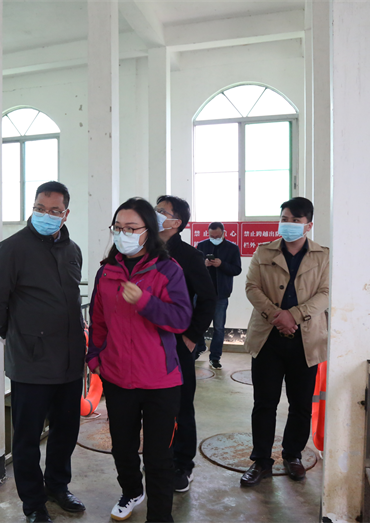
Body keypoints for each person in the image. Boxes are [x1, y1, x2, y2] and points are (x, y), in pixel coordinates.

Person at [0, 181, 86, 523]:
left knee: (65, 432)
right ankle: (33, 504)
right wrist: (20, 338)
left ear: (65, 214)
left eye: (54, 211)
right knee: (27, 439)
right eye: (40, 208)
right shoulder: (11, 249)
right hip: (31, 364)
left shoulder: (72, 250)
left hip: (70, 361)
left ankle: (58, 486)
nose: (45, 215)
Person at [87, 197, 192, 523]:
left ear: (149, 231)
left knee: (159, 457)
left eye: (131, 228)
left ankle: (160, 517)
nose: (124, 234)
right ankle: (132, 491)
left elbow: (181, 319)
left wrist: (145, 301)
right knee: (122, 447)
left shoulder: (168, 269)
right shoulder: (107, 272)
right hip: (117, 376)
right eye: (118, 228)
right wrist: (94, 357)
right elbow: (98, 320)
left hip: (160, 379)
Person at [240, 197, 330, 487]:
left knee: (301, 404)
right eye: (285, 219)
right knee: (264, 403)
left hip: (306, 339)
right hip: (268, 338)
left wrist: (295, 315)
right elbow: (251, 287)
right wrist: (276, 315)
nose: (288, 224)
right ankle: (261, 461)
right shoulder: (263, 251)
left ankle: (293, 455)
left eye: (295, 220)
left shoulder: (323, 256)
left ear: (308, 225)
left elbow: (326, 292)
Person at [154, 195, 216, 493]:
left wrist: (191, 336)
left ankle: (182, 464)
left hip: (178, 343)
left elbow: (208, 298)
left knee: (181, 405)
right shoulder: (144, 249)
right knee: (155, 405)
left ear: (176, 222)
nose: (155, 214)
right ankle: (159, 458)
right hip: (148, 341)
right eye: (155, 210)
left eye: (161, 211)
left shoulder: (189, 256)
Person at [194, 222, 242, 369]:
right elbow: (193, 267)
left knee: (219, 327)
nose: (214, 238)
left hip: (221, 294)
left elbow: (237, 269)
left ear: (223, 233)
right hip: (202, 292)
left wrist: (221, 264)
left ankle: (215, 357)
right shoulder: (202, 246)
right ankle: (199, 347)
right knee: (196, 322)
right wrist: (203, 264)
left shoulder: (232, 248)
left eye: (217, 236)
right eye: (211, 236)